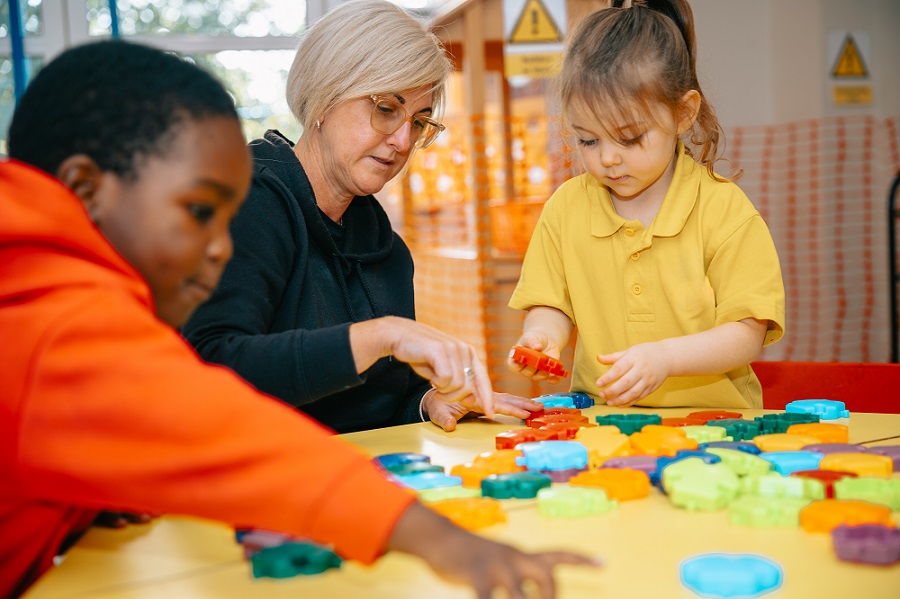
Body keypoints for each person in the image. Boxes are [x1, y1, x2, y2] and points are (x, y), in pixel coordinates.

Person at [0, 39, 600, 599]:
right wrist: (442, 541)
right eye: (200, 211)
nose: (221, 247)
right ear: (86, 188)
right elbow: (227, 428)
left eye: (419, 121)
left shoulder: (47, 298)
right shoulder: (59, 328)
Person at [181, 0, 539, 434]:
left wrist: (428, 401)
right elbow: (211, 368)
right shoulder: (246, 203)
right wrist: (380, 336)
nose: (403, 141)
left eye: (419, 122)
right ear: (324, 97)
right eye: (386, 109)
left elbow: (378, 401)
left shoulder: (384, 248)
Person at [507, 0, 785, 409]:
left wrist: (666, 357)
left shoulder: (723, 209)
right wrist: (543, 335)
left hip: (716, 426)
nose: (607, 158)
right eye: (588, 140)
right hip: (602, 423)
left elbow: (747, 331)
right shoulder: (565, 209)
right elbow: (551, 303)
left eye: (630, 138)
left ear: (683, 114)